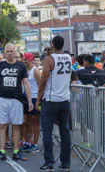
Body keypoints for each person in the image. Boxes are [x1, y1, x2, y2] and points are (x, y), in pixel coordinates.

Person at [0, 44, 33, 162]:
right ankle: (2, 152)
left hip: (17, 100)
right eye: (7, 51)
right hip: (2, 99)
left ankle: (16, 151)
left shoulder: (21, 66)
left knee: (16, 126)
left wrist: (29, 100)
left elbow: (26, 83)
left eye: (11, 51)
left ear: (15, 52)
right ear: (4, 53)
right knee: (2, 126)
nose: (9, 53)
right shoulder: (0, 65)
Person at [37, 36, 72, 171]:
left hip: (51, 100)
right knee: (65, 132)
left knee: (47, 131)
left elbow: (43, 79)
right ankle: (65, 163)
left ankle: (49, 162)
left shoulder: (49, 59)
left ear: (52, 44)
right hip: (64, 99)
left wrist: (39, 98)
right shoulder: (69, 58)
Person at [21, 52, 41, 153]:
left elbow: (41, 85)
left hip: (34, 97)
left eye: (26, 60)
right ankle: (27, 142)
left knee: (35, 121)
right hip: (24, 97)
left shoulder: (35, 71)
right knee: (24, 121)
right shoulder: (23, 70)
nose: (24, 61)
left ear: (30, 60)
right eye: (23, 59)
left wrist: (38, 100)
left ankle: (35, 143)